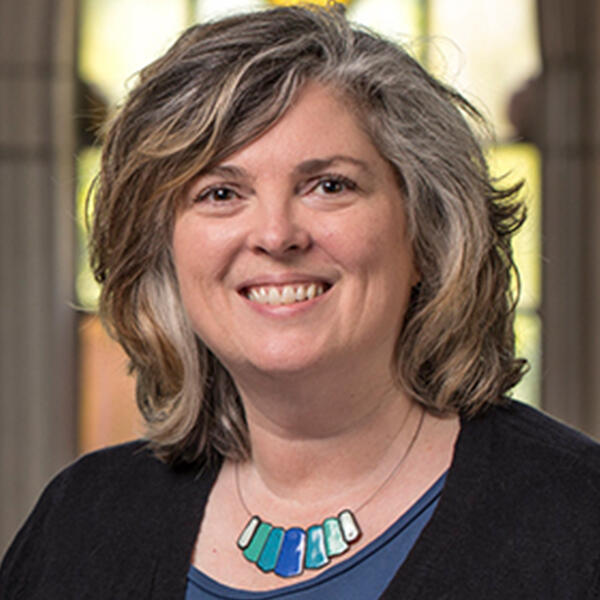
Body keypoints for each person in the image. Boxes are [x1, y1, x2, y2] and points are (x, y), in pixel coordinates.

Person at [2, 4, 600, 599]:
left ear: (426, 233)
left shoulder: (578, 520)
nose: (276, 234)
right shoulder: (79, 524)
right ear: (165, 253)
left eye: (329, 186)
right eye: (220, 192)